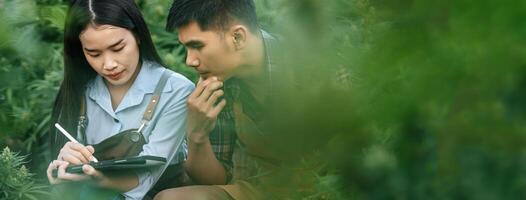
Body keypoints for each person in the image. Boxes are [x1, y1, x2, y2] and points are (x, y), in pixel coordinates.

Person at [46, 0, 193, 199]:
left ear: (138, 35)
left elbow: (147, 178)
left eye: (118, 48)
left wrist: (93, 178)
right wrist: (63, 169)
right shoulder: (78, 93)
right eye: (94, 53)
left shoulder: (175, 90)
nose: (109, 64)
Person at [155, 0, 281, 199]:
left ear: (237, 38)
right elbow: (215, 181)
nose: (189, 61)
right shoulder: (218, 84)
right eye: (186, 48)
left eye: (197, 46)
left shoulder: (314, 68)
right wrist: (197, 134)